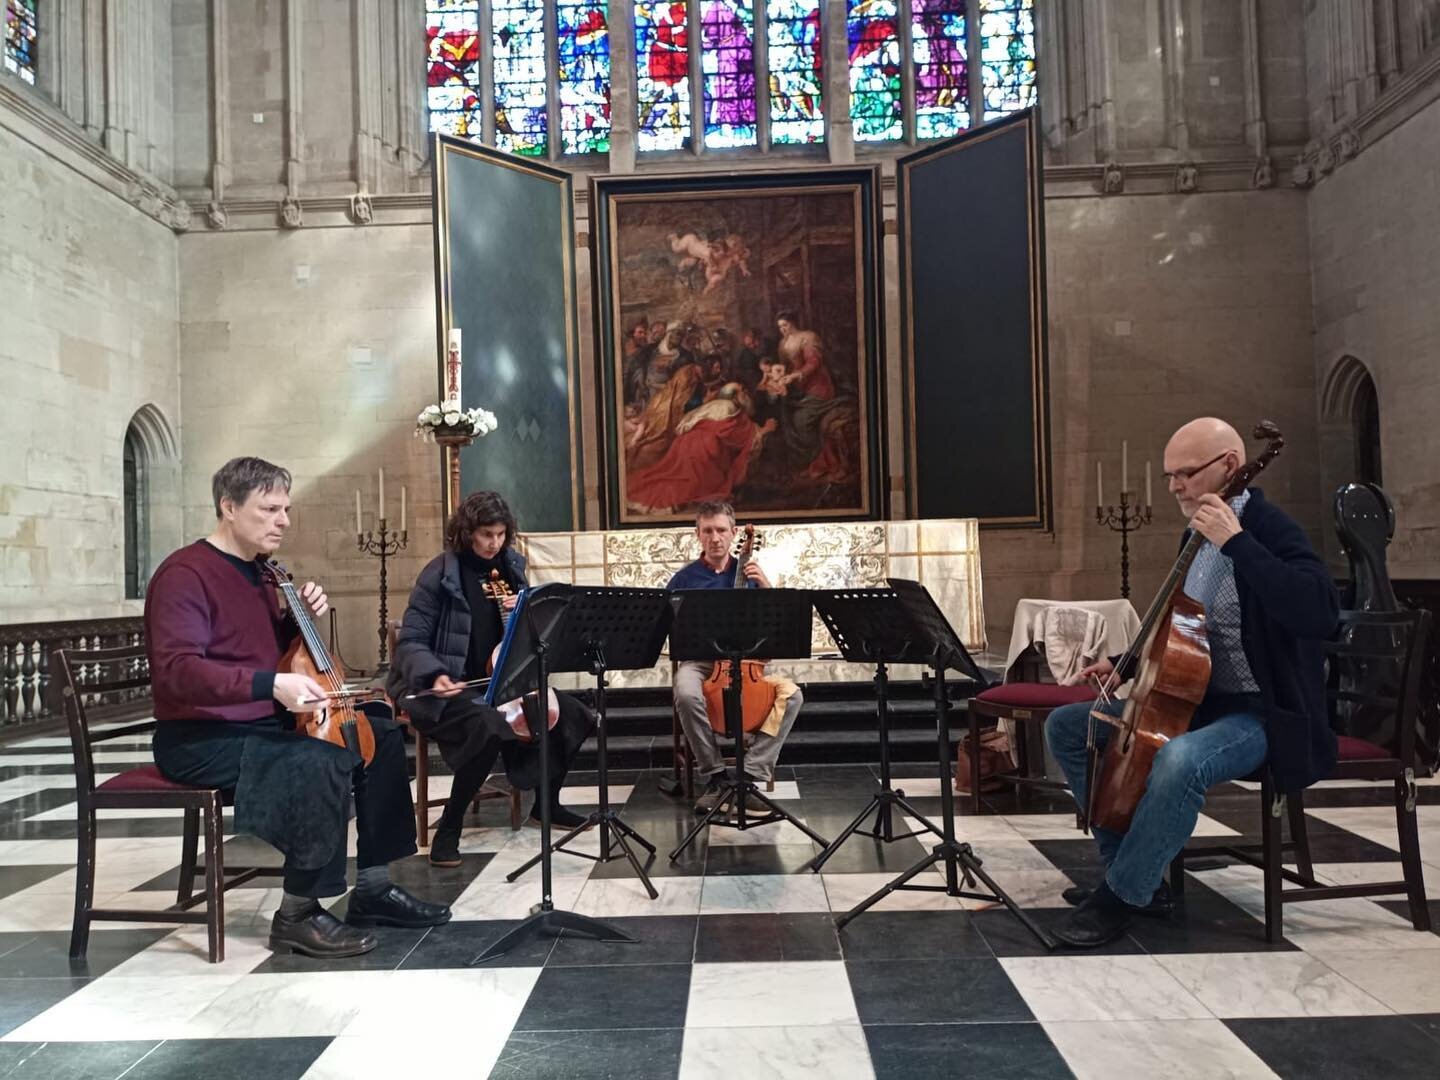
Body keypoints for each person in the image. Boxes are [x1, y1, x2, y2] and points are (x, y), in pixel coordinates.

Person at [1045, 418, 1339, 947]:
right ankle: (1133, 878)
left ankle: (1118, 897)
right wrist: (1125, 665)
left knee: (1179, 760)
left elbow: (1318, 613)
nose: (1176, 485)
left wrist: (1238, 542)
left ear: (1229, 466)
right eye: (1169, 476)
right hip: (1198, 702)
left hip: (1263, 712)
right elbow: (1181, 628)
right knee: (1070, 726)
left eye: (1185, 473)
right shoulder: (1195, 533)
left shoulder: (1269, 529)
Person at [145, 457, 450, 959]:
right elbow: (178, 672)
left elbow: (271, 652)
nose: (284, 520)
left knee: (381, 730)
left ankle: (372, 887)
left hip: (263, 722)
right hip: (200, 737)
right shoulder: (185, 575)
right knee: (321, 759)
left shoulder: (264, 575)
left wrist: (300, 619)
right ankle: (296, 914)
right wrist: (270, 686)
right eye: (269, 509)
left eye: (285, 508)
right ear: (228, 506)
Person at [388, 491, 596, 868]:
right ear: (466, 532)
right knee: (488, 725)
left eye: (500, 534)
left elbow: (533, 638)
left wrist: (528, 610)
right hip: (445, 685)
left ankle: (547, 805)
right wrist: (433, 673)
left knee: (574, 713)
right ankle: (449, 827)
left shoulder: (512, 568)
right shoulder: (441, 573)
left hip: (501, 682)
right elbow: (411, 642)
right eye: (486, 534)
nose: (493, 543)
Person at [667, 501, 803, 813]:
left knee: (793, 696)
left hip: (746, 661)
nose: (715, 537)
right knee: (686, 693)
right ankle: (715, 777)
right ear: (697, 535)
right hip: (701, 661)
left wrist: (766, 588)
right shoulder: (684, 579)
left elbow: (778, 627)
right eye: (708, 531)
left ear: (734, 533)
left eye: (721, 530)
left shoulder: (752, 574)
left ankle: (750, 775)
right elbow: (672, 630)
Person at [626, 383, 777, 514]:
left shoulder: (714, 405)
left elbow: (686, 423)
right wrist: (764, 430)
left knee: (674, 476)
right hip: (703, 448)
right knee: (693, 485)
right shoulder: (730, 406)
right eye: (742, 390)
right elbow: (733, 432)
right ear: (735, 396)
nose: (746, 393)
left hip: (684, 443)